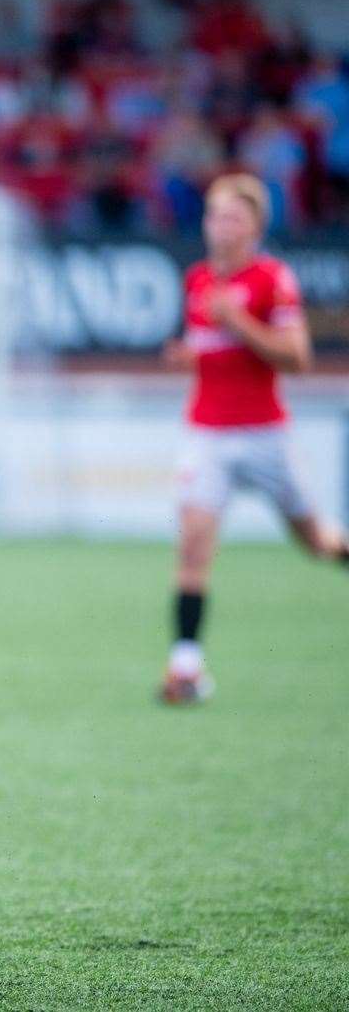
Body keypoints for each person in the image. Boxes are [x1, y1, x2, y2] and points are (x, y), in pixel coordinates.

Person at [160, 173, 348, 704]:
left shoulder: (272, 279)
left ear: (255, 228)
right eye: (215, 216)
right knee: (193, 543)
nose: (222, 226)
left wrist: (240, 322)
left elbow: (299, 359)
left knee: (316, 542)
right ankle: (186, 667)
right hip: (207, 433)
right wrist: (190, 359)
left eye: (233, 218)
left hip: (265, 432)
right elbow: (211, 351)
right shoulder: (197, 279)